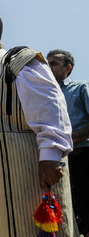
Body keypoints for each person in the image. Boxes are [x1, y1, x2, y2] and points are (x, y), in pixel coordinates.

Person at [0, 11, 77, 237]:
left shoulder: (18, 60)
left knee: (22, 226)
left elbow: (49, 105)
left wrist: (50, 156)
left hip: (21, 170)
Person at [47, 49, 89, 236]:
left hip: (83, 156)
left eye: (54, 63)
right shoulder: (44, 94)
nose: (49, 67)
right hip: (57, 162)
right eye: (47, 63)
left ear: (68, 68)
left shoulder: (80, 89)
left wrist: (68, 139)